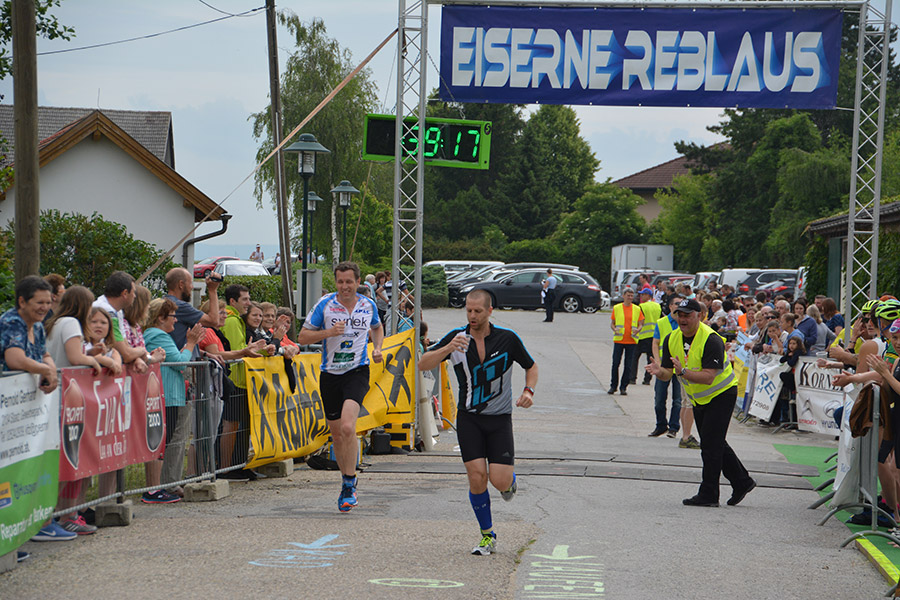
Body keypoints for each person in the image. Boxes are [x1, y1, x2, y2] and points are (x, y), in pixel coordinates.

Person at [418, 289, 538, 556]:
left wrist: (528, 391)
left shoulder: (507, 339)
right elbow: (422, 363)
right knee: (476, 477)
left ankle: (509, 482)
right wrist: (448, 348)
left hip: (499, 419)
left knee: (499, 480)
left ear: (490, 311)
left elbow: (531, 366)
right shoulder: (457, 337)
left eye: (478, 311)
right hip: (469, 419)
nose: (472, 316)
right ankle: (487, 535)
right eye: (468, 311)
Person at [646, 298, 756, 507]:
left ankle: (709, 494)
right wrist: (659, 371)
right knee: (713, 441)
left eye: (687, 315)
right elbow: (668, 373)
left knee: (710, 445)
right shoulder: (671, 338)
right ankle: (742, 481)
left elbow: (708, 377)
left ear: (699, 316)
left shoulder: (711, 339)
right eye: (679, 314)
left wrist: (682, 372)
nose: (682, 319)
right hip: (700, 398)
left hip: (722, 393)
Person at [297, 261, 384, 513]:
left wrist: (377, 348)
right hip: (330, 374)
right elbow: (302, 337)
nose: (345, 286)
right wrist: (328, 333)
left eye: (349, 282)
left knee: (348, 426)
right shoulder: (325, 304)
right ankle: (346, 480)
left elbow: (377, 327)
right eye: (340, 282)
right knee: (336, 434)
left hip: (357, 371)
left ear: (358, 282)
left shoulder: (368, 304)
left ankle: (349, 482)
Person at [143, 298, 205, 497]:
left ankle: (161, 486)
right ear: (161, 318)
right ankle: (156, 488)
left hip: (168, 394)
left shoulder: (158, 335)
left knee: (167, 441)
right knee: (163, 442)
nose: (176, 321)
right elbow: (180, 363)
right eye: (172, 316)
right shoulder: (157, 335)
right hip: (166, 395)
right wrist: (191, 343)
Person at [219, 283, 259, 481]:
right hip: (235, 380)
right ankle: (226, 469)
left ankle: (236, 465)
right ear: (233, 301)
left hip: (240, 380)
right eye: (245, 299)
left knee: (239, 427)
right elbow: (239, 351)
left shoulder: (236, 319)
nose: (248, 303)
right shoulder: (232, 320)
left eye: (249, 299)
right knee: (232, 425)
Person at [94, 271, 148, 374]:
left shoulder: (117, 311)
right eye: (133, 292)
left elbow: (125, 345)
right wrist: (142, 351)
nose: (135, 296)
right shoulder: (107, 310)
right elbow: (126, 354)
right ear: (125, 293)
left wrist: (136, 358)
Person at [164, 267, 220, 349]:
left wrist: (204, 354)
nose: (192, 287)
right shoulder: (179, 306)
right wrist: (212, 290)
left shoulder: (164, 302)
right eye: (190, 283)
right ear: (181, 284)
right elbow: (213, 320)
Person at [609, 288, 642, 396]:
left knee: (628, 366)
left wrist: (638, 329)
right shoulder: (617, 308)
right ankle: (613, 386)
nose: (630, 298)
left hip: (631, 340)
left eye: (632, 296)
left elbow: (641, 323)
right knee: (615, 364)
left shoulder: (637, 309)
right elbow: (612, 323)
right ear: (623, 296)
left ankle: (623, 387)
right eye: (628, 295)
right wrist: (614, 329)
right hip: (619, 340)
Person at [632, 287, 660, 385]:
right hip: (654, 336)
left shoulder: (642, 306)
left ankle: (632, 378)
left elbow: (639, 320)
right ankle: (647, 379)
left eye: (643, 294)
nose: (641, 296)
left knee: (634, 357)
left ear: (648, 295)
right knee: (650, 359)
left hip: (642, 335)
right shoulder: (658, 306)